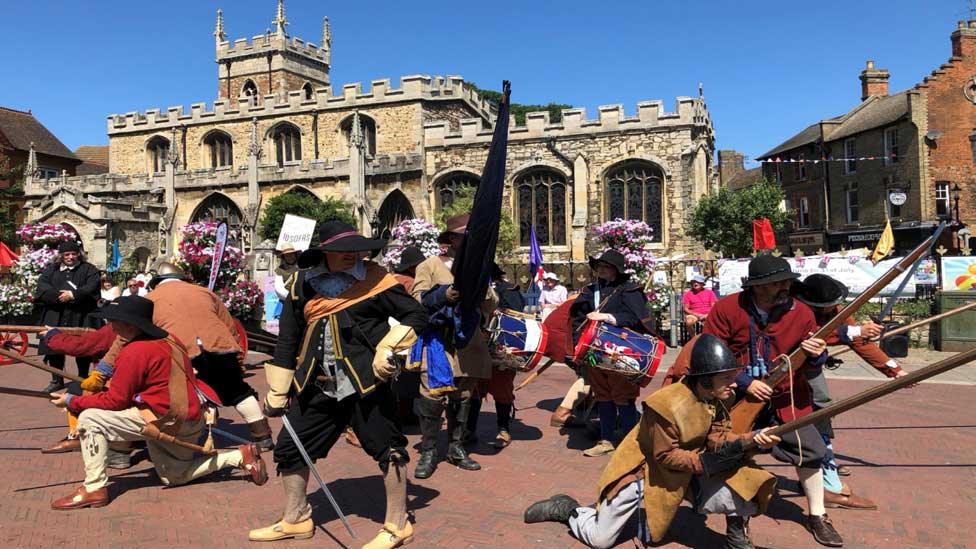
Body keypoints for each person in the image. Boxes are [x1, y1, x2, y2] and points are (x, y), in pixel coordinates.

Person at [248, 221, 427, 547]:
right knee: (290, 448)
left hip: (367, 383)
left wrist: (389, 345)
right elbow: (288, 338)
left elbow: (416, 315)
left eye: (357, 250)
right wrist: (278, 389)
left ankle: (398, 525)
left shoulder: (376, 279)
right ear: (325, 252)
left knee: (390, 450)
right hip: (315, 384)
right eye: (344, 251)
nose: (353, 256)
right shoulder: (302, 283)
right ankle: (296, 517)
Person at [523, 335, 779, 549]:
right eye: (726, 378)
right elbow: (664, 456)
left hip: (687, 469)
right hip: (644, 471)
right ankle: (569, 509)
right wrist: (705, 461)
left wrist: (752, 440)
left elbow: (718, 438)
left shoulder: (720, 395)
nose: (734, 383)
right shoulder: (666, 404)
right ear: (704, 380)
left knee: (747, 483)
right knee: (600, 540)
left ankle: (736, 538)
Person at [47, 295, 268, 510]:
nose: (110, 325)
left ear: (131, 325)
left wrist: (73, 401)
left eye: (115, 320)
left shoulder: (134, 352)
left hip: (167, 421)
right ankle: (239, 456)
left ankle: (94, 487)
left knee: (90, 418)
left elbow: (116, 400)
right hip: (191, 417)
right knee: (174, 476)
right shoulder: (170, 338)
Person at [702, 254, 843, 547]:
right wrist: (744, 382)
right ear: (757, 287)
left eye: (786, 282)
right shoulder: (727, 309)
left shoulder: (802, 312)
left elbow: (813, 365)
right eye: (777, 283)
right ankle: (737, 524)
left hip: (787, 398)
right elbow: (708, 354)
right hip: (737, 397)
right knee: (734, 455)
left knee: (813, 450)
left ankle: (818, 515)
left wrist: (817, 354)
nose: (785, 288)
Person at [98, 263, 274, 450]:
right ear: (183, 278)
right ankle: (262, 436)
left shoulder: (149, 299)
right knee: (238, 391)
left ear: (157, 282)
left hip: (182, 352)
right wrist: (237, 358)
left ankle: (131, 446)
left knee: (170, 396)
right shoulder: (205, 292)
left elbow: (126, 335)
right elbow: (230, 326)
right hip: (220, 347)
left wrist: (103, 368)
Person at [793, 274, 904, 511]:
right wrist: (850, 332)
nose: (833, 309)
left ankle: (824, 479)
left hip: (809, 370)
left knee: (820, 415)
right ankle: (826, 482)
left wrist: (893, 368)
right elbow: (809, 336)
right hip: (782, 371)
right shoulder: (794, 310)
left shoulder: (835, 311)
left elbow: (858, 339)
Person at [410, 213, 497, 478]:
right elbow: (417, 300)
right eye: (463, 235)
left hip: (467, 341)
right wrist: (443, 295)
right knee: (433, 397)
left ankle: (456, 447)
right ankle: (428, 450)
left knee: (463, 396)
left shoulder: (481, 267)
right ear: (452, 238)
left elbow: (492, 305)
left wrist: (486, 294)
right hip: (438, 340)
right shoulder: (430, 265)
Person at [570, 250, 653, 457]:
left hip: (622, 352)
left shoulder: (629, 290)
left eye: (606, 266)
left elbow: (636, 319)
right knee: (603, 396)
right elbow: (577, 317)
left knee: (623, 396)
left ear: (616, 270)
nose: (601, 270)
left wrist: (607, 317)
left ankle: (629, 443)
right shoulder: (591, 290)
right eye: (599, 266)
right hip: (595, 352)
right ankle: (606, 440)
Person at [467, 263, 526, 449]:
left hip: (501, 349)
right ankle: (469, 430)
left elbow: (515, 318)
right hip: (475, 348)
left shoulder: (508, 290)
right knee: (473, 390)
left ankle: (503, 428)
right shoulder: (469, 290)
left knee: (502, 390)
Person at [37, 323, 118, 456]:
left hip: (119, 389)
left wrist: (53, 336)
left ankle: (77, 436)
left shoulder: (116, 329)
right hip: (124, 384)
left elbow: (81, 345)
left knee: (75, 390)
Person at [35, 241, 101, 392]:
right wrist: (59, 296)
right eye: (67, 254)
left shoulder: (89, 269)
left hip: (81, 314)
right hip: (55, 314)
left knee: (83, 347)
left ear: (79, 254)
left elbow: (92, 286)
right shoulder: (52, 269)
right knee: (54, 346)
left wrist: (73, 295)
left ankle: (82, 378)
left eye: (73, 253)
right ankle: (57, 380)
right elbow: (42, 285)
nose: (70, 257)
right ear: (61, 256)